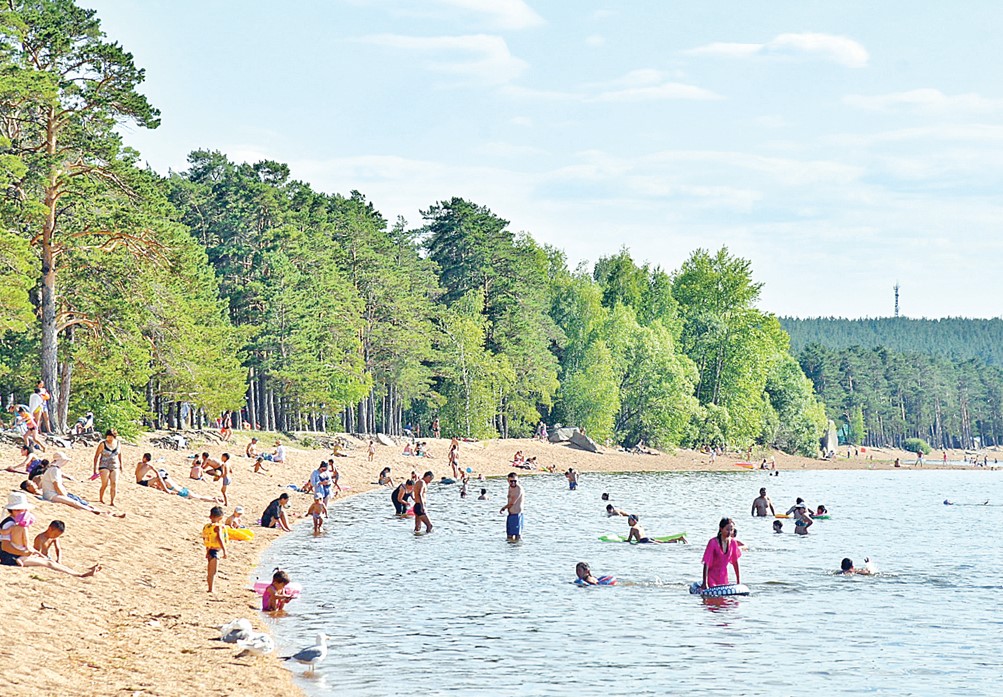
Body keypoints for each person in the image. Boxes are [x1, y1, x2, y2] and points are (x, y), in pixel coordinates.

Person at [1, 492, 100, 577]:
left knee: (48, 561)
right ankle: (79, 574)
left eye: (22, 509)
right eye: (17, 510)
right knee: (48, 563)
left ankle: (79, 572)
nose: (21, 512)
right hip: (11, 556)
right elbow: (5, 546)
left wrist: (32, 552)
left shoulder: (17, 522)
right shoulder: (9, 524)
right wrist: (23, 553)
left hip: (18, 553)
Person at [44, 452, 124, 517]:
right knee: (74, 503)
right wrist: (64, 494)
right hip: (51, 494)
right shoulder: (54, 470)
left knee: (79, 500)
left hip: (53, 493)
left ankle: (100, 510)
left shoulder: (53, 469)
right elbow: (56, 485)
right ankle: (96, 512)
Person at [701, 517, 741, 589]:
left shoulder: (733, 543)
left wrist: (738, 581)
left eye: (731, 530)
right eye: (727, 529)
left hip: (723, 577)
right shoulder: (713, 542)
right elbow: (706, 563)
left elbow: (735, 562)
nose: (729, 532)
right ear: (721, 529)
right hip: (711, 577)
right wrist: (705, 582)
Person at [92, 429, 123, 506]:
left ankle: (112, 501)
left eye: (110, 436)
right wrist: (95, 469)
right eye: (108, 436)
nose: (109, 438)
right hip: (104, 465)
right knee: (105, 483)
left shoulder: (118, 443)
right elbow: (96, 456)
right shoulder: (102, 444)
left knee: (114, 483)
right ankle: (101, 498)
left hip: (114, 465)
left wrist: (121, 464)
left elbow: (119, 454)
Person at [203, 506, 228, 592]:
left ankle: (210, 588)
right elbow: (220, 538)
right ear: (220, 517)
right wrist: (225, 550)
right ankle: (211, 589)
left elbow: (207, 540)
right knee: (213, 572)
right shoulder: (218, 527)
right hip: (215, 551)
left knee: (210, 571)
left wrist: (207, 552)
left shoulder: (208, 527)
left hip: (210, 550)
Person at [500, 472, 524, 542]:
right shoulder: (510, 487)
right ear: (508, 480)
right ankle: (509, 552)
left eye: (515, 481)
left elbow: (512, 502)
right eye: (511, 481)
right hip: (510, 515)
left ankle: (516, 551)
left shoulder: (518, 489)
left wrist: (503, 508)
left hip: (517, 515)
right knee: (509, 536)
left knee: (517, 537)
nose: (513, 483)